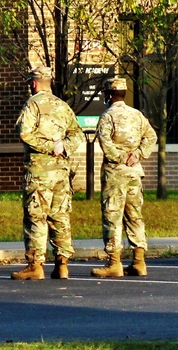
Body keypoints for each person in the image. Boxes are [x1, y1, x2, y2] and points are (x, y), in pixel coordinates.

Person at [11, 66, 83, 281]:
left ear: (33, 84)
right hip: (61, 171)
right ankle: (62, 264)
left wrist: (47, 147)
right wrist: (63, 147)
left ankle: (35, 264)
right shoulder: (63, 106)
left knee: (36, 216)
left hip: (40, 171)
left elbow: (24, 133)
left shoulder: (32, 104)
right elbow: (77, 133)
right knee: (60, 216)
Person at [92, 76, 157, 277]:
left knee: (113, 216)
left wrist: (120, 157)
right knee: (134, 215)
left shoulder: (107, 116)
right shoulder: (137, 115)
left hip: (115, 174)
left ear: (109, 94)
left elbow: (105, 142)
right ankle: (139, 261)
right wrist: (137, 155)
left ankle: (114, 263)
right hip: (134, 172)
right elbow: (151, 136)